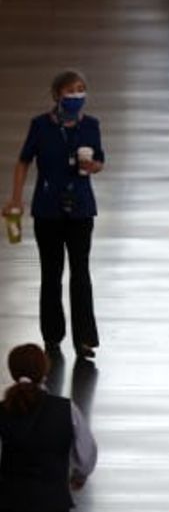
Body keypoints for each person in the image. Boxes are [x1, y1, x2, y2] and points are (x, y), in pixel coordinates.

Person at [3, 71, 104, 359]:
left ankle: (85, 339)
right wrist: (16, 198)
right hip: (48, 210)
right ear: (57, 95)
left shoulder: (91, 126)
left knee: (81, 272)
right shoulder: (40, 127)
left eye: (81, 90)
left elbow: (100, 161)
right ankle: (52, 336)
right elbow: (24, 161)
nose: (77, 96)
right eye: (71, 91)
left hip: (82, 209)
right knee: (51, 274)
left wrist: (92, 167)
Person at [0, 344, 98, 512]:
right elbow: (86, 451)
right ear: (45, 370)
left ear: (12, 371)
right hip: (52, 505)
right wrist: (79, 476)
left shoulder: (3, 410)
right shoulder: (66, 409)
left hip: (11, 503)